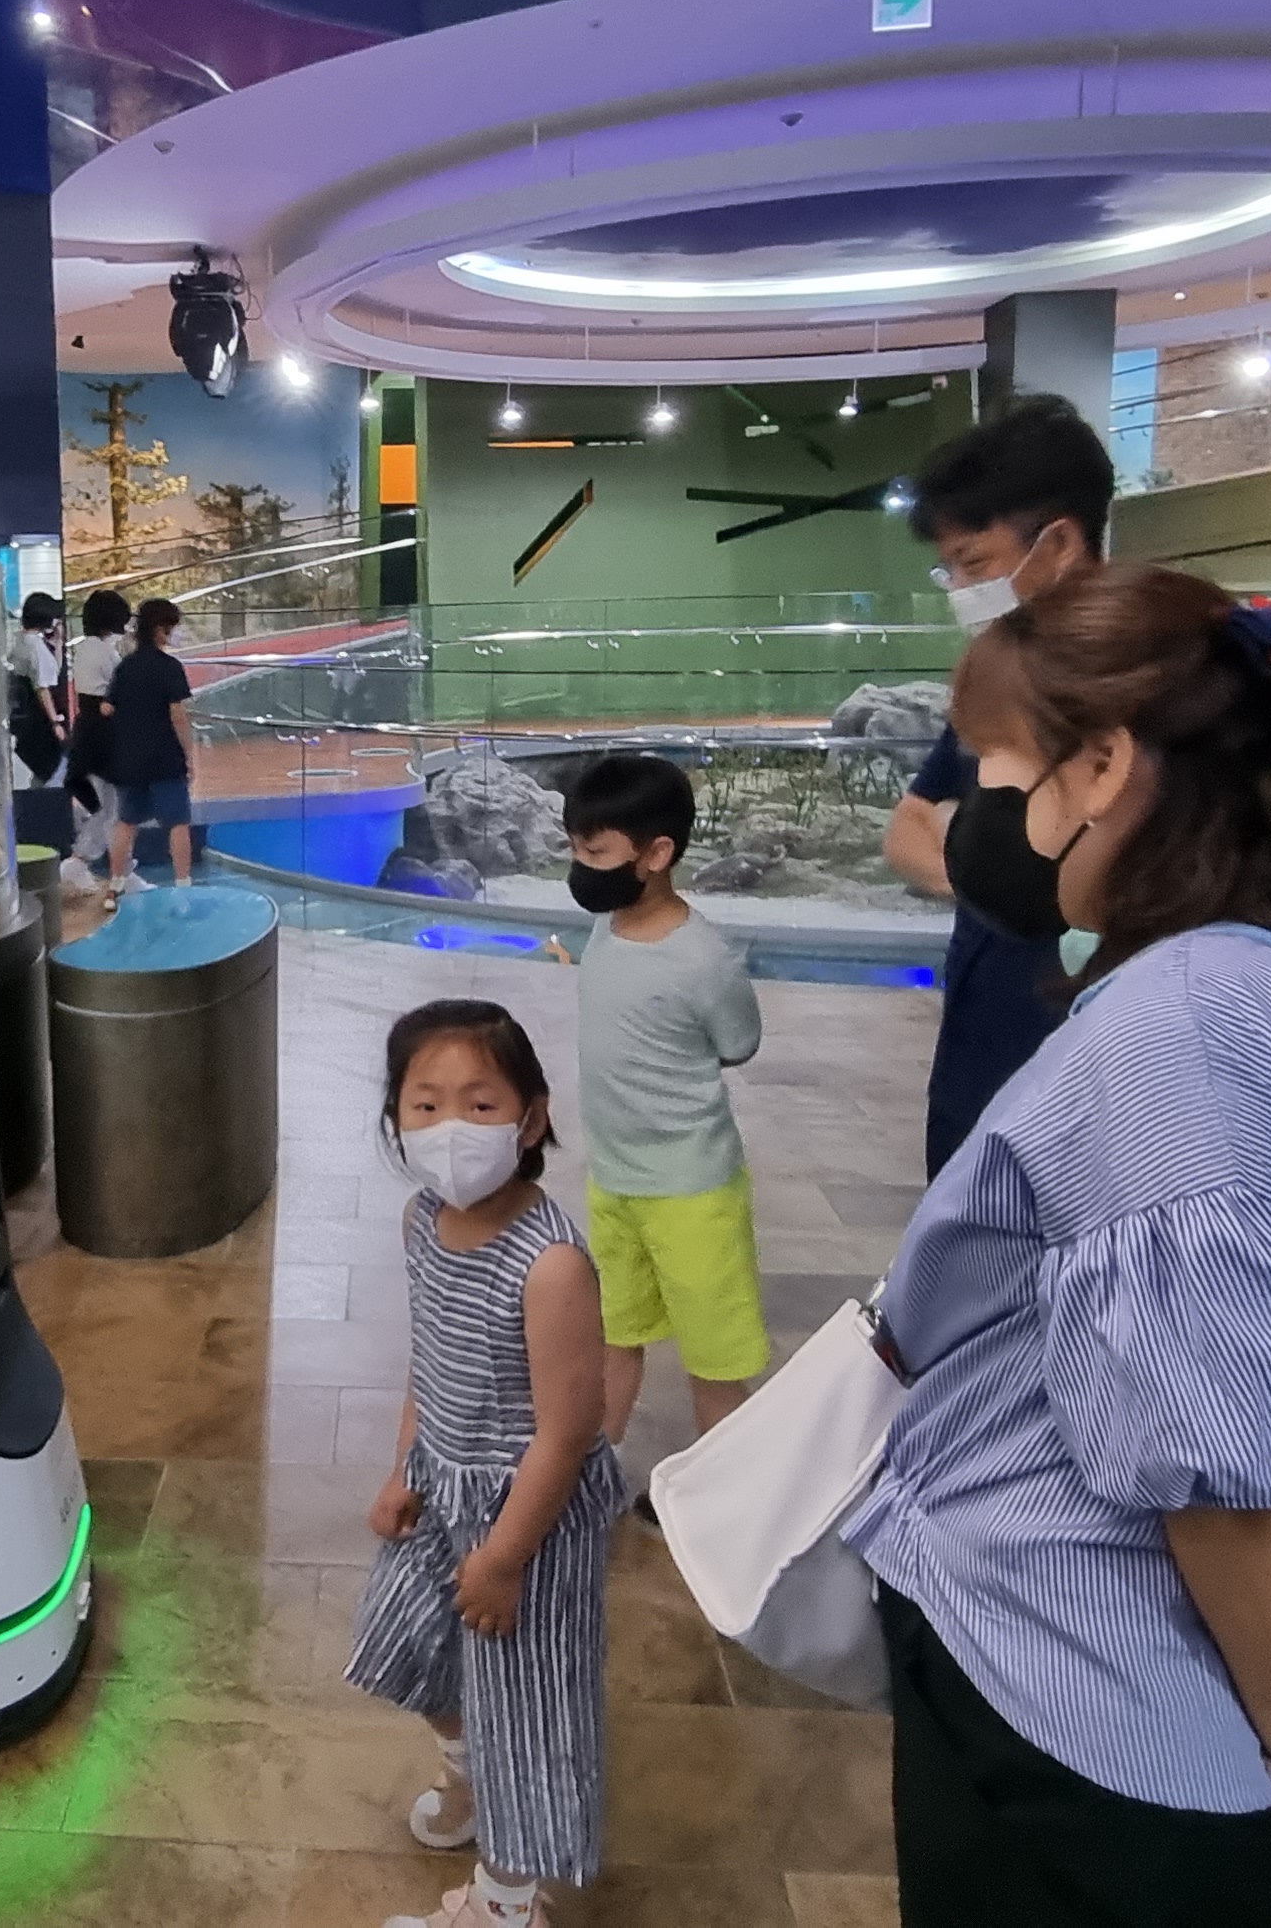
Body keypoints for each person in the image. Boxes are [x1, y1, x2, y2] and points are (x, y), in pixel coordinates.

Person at [842, 563, 1271, 1928]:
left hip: (1082, 1713)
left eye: (1000, 776)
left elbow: (1258, 1501)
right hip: (1195, 1712)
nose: (983, 822)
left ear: (1101, 766)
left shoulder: (1177, 1041)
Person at [346, 1000, 621, 1928]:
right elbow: (428, 1359)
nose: (451, 1127)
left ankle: (506, 1907)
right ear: (396, 1117)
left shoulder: (550, 1266)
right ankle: (467, 1775)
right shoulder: (422, 1222)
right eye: (425, 1104)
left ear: (531, 1119)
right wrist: (404, 1468)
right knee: (406, 1646)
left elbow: (567, 1432)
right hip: (441, 1485)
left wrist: (504, 1559)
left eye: (480, 1103)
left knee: (524, 1718)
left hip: (528, 1518)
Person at [877, 395, 1107, 1177]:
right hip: (981, 1043)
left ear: (1059, 542)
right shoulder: (1001, 675)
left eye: (974, 564)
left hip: (1085, 1066)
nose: (959, 588)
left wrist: (1007, 868)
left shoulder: (1152, 682)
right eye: (948, 568)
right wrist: (997, 873)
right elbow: (908, 827)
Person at [556, 753, 767, 1455]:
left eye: (595, 853)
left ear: (656, 854)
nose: (580, 866)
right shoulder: (605, 926)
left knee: (715, 1361)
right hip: (614, 1182)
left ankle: (725, 1496)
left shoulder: (703, 960)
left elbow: (739, 1043)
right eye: (575, 848)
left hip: (692, 1194)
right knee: (616, 1336)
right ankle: (592, 1479)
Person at [98, 595, 195, 892]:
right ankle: (183, 885)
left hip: (129, 758)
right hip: (165, 758)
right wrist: (189, 754)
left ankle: (116, 883)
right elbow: (177, 715)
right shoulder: (170, 667)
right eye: (171, 627)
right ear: (160, 629)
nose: (175, 633)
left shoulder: (125, 667)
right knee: (177, 822)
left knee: (126, 822)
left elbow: (107, 708)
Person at [62, 589, 129, 824]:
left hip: (87, 720)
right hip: (104, 722)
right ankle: (101, 825)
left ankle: (94, 816)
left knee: (81, 778)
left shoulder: (84, 648)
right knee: (110, 789)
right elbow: (118, 683)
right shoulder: (105, 652)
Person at [7, 591, 69, 789]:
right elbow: (43, 687)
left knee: (43, 772)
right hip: (39, 717)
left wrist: (57, 644)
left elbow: (52, 672)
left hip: (25, 715)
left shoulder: (20, 640)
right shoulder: (36, 646)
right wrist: (55, 722)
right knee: (54, 768)